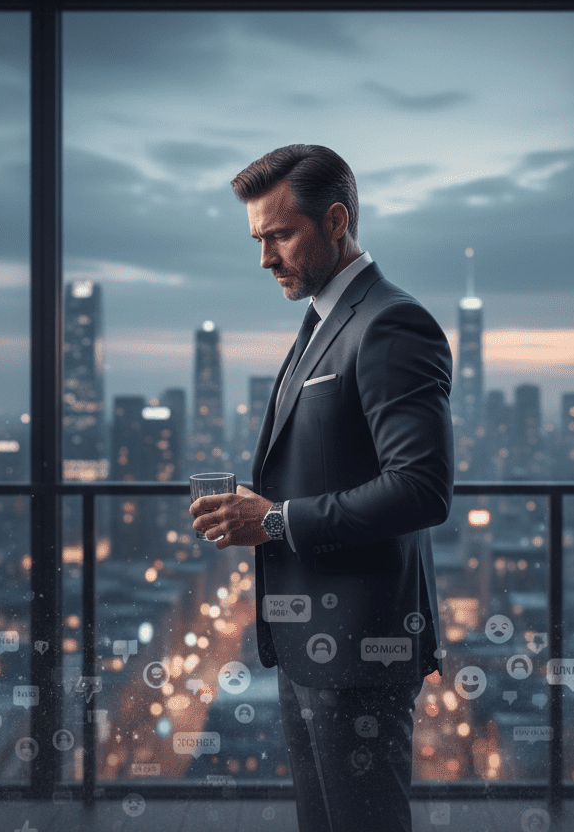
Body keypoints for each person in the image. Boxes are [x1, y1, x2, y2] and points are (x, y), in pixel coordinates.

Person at [190, 144, 453, 832]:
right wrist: (260, 508)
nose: (264, 258)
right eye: (257, 239)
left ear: (336, 220)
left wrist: (274, 521)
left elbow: (422, 488)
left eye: (279, 235)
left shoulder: (390, 321)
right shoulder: (324, 323)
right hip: (311, 643)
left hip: (362, 648)